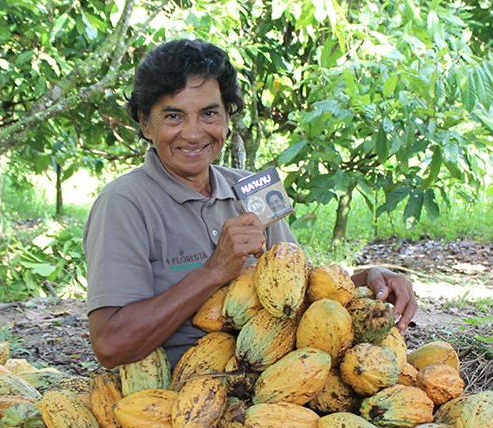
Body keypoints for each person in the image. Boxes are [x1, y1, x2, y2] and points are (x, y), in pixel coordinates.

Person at [83, 39, 417, 369]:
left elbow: (300, 292)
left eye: (209, 113)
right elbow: (111, 345)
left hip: (275, 381)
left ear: (228, 115)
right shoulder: (123, 204)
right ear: (144, 122)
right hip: (180, 400)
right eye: (174, 116)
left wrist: (371, 278)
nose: (194, 133)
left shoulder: (252, 188)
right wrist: (214, 270)